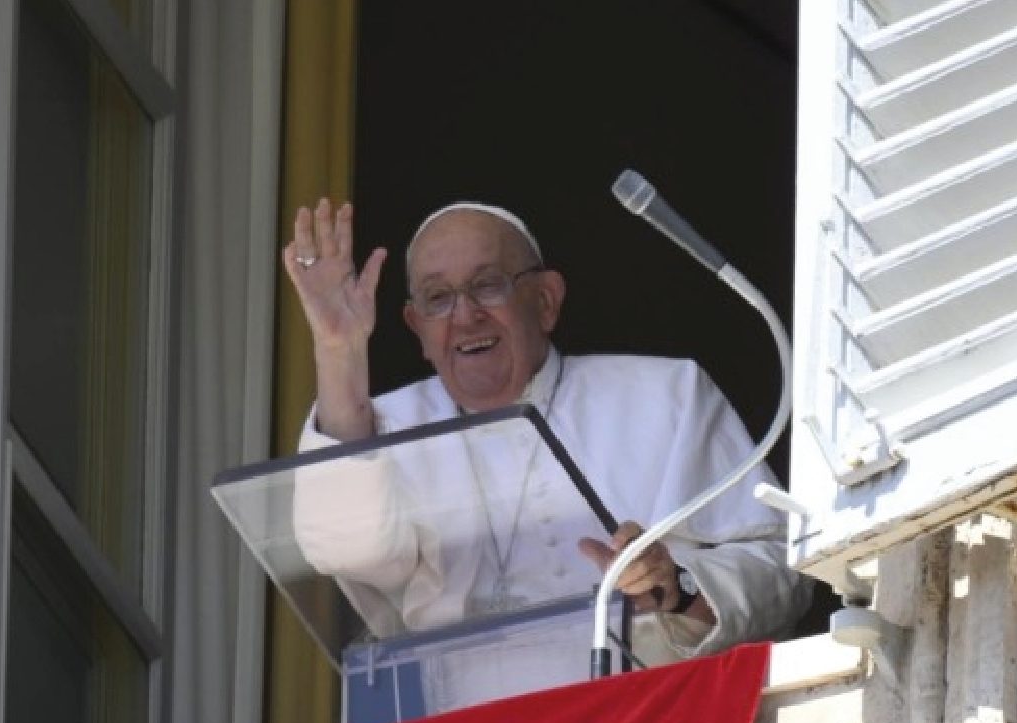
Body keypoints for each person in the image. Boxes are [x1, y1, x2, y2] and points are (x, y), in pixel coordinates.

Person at [283, 197, 811, 665]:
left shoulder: (665, 394)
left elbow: (783, 573)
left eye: (487, 286)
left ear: (545, 301)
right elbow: (344, 550)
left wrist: (679, 587)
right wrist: (338, 352)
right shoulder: (388, 425)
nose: (465, 315)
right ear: (416, 328)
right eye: (437, 298)